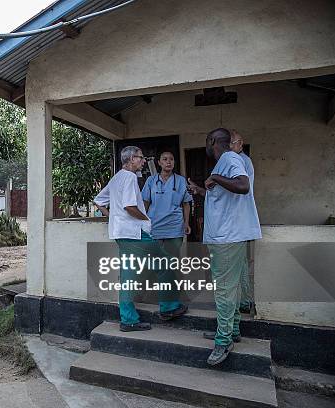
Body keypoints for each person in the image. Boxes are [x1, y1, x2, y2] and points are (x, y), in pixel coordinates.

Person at [187, 128, 261, 366]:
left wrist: (214, 178)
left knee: (223, 290)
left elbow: (242, 186)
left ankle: (223, 340)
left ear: (212, 142)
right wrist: (201, 189)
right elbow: (222, 198)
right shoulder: (226, 162)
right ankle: (233, 330)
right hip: (230, 235)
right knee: (233, 286)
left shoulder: (229, 158)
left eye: (207, 143)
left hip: (227, 238)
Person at [94, 146, 188, 332]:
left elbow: (98, 200)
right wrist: (146, 219)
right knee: (164, 264)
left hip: (121, 233)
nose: (144, 161)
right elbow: (130, 206)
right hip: (135, 233)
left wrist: (114, 217)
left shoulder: (117, 177)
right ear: (130, 160)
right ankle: (169, 307)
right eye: (140, 158)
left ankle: (128, 320)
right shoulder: (129, 177)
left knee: (128, 275)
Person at [142, 151, 193, 254]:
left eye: (171, 159)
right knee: (155, 260)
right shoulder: (151, 181)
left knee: (172, 260)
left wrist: (186, 223)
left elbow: (186, 203)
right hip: (154, 226)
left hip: (174, 227)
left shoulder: (181, 181)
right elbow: (145, 203)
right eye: (165, 159)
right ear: (159, 163)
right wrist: (142, 222)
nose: (168, 162)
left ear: (174, 163)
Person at [230, 130, 255, 314]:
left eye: (233, 143)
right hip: (238, 219)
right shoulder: (238, 159)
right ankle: (244, 301)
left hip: (238, 219)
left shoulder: (241, 161)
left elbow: (240, 188)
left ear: (241, 143)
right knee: (241, 263)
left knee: (238, 264)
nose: (230, 146)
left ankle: (244, 301)